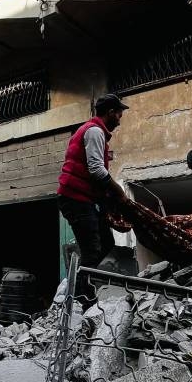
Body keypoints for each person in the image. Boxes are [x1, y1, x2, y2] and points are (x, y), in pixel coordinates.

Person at [57, 94, 129, 305]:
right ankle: (81, 298)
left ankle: (80, 284)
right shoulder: (95, 131)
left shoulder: (94, 131)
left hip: (82, 198)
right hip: (74, 198)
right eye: (119, 114)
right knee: (93, 249)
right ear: (110, 113)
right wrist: (119, 192)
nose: (119, 119)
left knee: (106, 241)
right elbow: (97, 170)